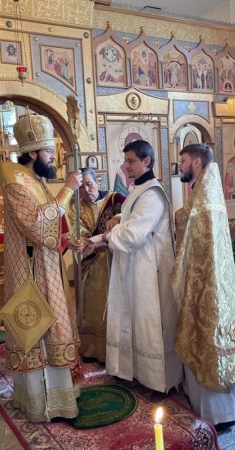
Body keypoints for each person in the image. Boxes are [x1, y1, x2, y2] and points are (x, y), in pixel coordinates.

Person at [2, 112, 83, 422]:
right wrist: (68, 189)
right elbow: (36, 225)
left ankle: (61, 395)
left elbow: (47, 229)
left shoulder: (35, 181)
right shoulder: (16, 184)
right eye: (49, 151)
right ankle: (42, 402)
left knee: (56, 326)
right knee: (39, 331)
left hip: (46, 266)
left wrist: (65, 240)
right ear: (33, 152)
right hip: (31, 275)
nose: (53, 157)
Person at [172, 143, 235, 428]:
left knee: (207, 337)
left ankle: (217, 414)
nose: (180, 166)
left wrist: (178, 217)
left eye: (183, 160)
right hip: (207, 278)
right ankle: (210, 408)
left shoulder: (204, 197)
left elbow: (194, 232)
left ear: (196, 162)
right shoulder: (205, 191)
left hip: (206, 280)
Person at [102, 139, 183, 393]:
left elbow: (134, 234)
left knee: (150, 325)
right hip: (136, 266)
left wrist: (107, 236)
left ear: (146, 161)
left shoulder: (153, 193)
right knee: (134, 320)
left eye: (131, 161)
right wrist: (118, 218)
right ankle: (136, 372)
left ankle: (158, 382)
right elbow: (132, 216)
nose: (126, 166)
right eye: (125, 161)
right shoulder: (140, 188)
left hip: (150, 272)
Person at [67, 168, 126, 362]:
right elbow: (79, 232)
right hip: (92, 264)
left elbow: (129, 216)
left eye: (89, 184)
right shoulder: (75, 206)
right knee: (91, 305)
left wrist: (117, 218)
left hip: (114, 260)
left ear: (97, 182)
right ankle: (92, 349)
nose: (86, 190)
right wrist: (85, 242)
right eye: (81, 187)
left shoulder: (114, 199)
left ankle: (116, 350)